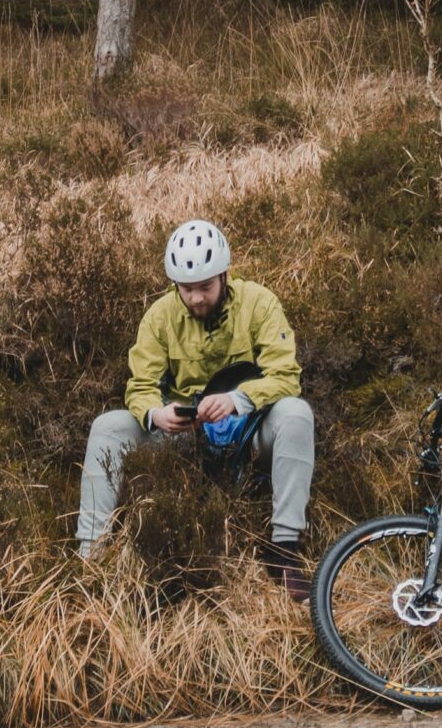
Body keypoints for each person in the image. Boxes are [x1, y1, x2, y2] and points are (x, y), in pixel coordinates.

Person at [77, 220, 316, 598]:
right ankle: (91, 557)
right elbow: (139, 387)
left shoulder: (259, 303)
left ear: (224, 275)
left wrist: (238, 400)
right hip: (182, 437)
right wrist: (156, 415)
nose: (197, 298)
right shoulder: (159, 316)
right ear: (175, 285)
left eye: (206, 287)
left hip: (248, 431)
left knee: (296, 413)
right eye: (187, 289)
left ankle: (283, 552)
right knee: (109, 425)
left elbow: (286, 375)